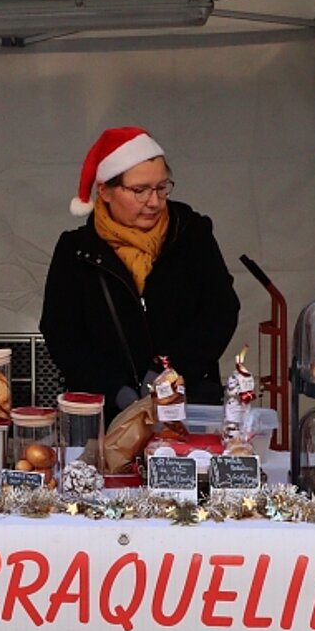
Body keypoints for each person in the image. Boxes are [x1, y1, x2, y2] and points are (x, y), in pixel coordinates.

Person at [40, 126, 240, 422]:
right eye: (140, 190)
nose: (154, 201)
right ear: (105, 191)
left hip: (187, 406)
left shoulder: (191, 233)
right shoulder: (76, 250)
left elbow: (221, 310)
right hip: (105, 414)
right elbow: (61, 334)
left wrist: (169, 369)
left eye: (161, 187)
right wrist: (115, 389)